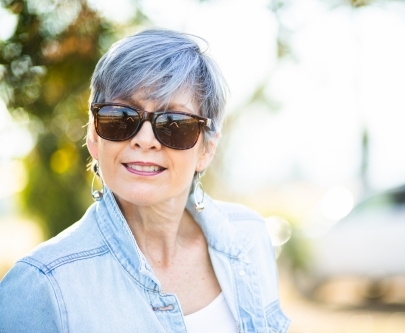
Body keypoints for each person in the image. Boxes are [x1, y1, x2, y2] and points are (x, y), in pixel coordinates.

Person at [0, 28, 290, 333]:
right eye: (120, 116)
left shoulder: (250, 237)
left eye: (175, 124)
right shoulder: (42, 284)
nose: (145, 140)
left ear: (206, 149)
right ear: (93, 137)